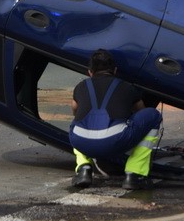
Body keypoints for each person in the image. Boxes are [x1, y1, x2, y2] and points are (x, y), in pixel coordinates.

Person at [69, 49, 162, 190]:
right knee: (153, 116)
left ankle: (83, 168)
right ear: (115, 70)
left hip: (81, 141)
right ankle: (135, 174)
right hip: (114, 141)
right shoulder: (126, 87)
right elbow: (141, 112)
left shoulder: (81, 86)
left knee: (77, 123)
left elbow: (75, 110)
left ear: (90, 72)